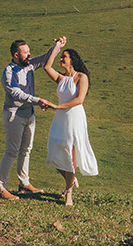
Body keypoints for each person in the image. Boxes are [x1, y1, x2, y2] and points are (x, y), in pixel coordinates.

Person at [0, 36, 66, 200]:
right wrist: (38, 100)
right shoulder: (8, 72)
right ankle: (0, 187)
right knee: (12, 151)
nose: (29, 55)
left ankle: (24, 183)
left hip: (29, 114)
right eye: (25, 53)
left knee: (26, 150)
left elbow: (44, 59)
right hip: (14, 114)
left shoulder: (29, 65)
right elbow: (16, 93)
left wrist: (57, 46)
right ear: (16, 55)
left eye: (29, 52)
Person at [42, 42, 99, 206]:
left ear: (72, 60)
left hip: (74, 117)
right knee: (54, 153)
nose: (61, 59)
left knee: (71, 154)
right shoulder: (61, 78)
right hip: (61, 118)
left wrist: (57, 106)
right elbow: (47, 67)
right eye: (61, 57)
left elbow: (79, 99)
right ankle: (71, 180)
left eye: (64, 57)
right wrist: (56, 48)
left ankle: (68, 194)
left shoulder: (82, 77)